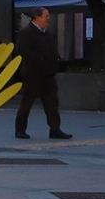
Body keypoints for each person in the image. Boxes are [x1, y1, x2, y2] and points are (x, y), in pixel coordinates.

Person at [13, 7, 70, 140]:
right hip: (33, 75)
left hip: (48, 75)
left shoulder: (48, 34)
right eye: (46, 16)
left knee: (52, 104)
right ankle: (20, 130)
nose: (48, 18)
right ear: (36, 17)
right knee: (27, 103)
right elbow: (23, 51)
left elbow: (52, 50)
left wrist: (56, 59)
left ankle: (55, 129)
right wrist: (41, 60)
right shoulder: (26, 33)